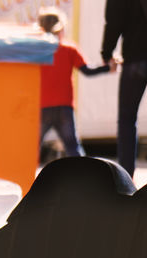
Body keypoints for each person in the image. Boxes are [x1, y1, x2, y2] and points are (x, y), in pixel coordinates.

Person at [101, 0, 147, 173]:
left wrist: (107, 53)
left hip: (135, 59)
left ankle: (125, 179)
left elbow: (113, 22)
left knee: (127, 120)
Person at [37, 8, 109, 158]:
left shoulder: (36, 51)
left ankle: (25, 178)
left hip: (42, 107)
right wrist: (108, 67)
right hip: (64, 107)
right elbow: (88, 70)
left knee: (32, 148)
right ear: (61, 28)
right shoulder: (69, 49)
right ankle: (83, 177)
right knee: (73, 147)